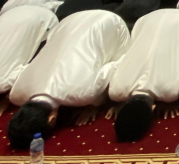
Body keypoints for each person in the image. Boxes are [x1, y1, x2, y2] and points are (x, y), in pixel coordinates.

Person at [7, 10, 130, 149]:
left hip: (109, 22)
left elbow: (115, 66)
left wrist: (96, 103)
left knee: (120, 72)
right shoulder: (16, 94)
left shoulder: (83, 94)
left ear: (51, 120)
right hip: (67, 22)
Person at [108, 9, 179, 142]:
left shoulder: (170, 90)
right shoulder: (115, 91)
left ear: (153, 109)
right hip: (146, 19)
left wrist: (170, 97)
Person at [0, 7, 58, 116]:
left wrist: (7, 100)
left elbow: (27, 71)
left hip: (44, 19)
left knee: (43, 59)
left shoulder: (2, 83)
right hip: (14, 11)